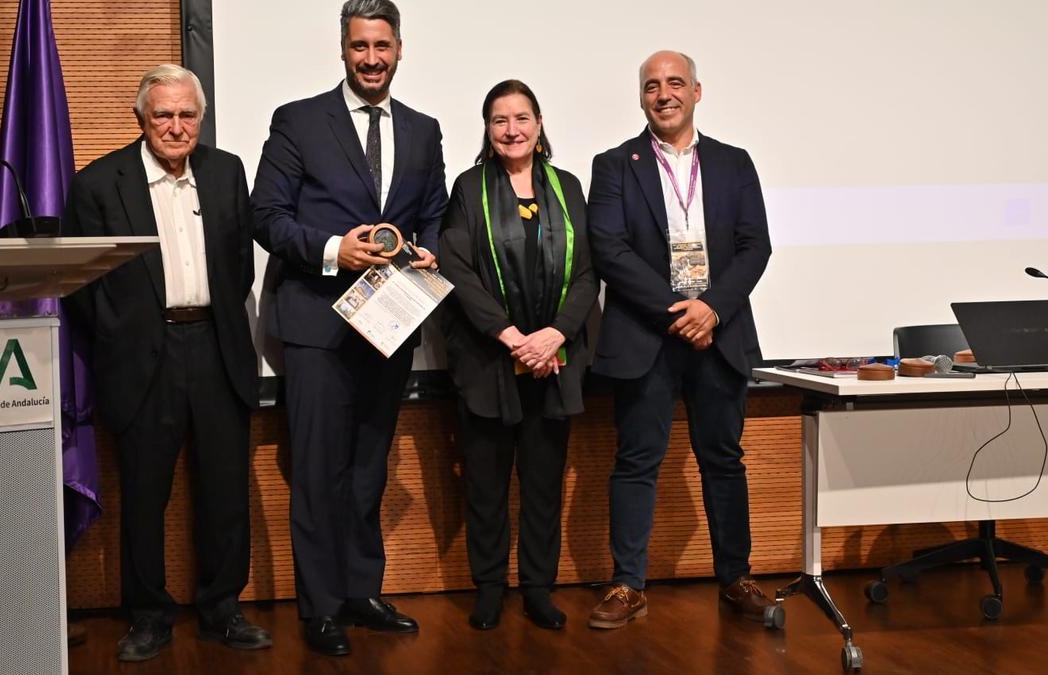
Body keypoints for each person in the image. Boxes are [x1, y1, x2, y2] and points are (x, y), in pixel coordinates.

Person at [251, 0, 447, 656]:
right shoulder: (299, 121)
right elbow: (267, 216)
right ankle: (322, 606)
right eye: (360, 46)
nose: (371, 58)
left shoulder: (424, 130)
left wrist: (431, 251)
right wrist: (337, 249)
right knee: (317, 470)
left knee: (368, 466)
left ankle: (362, 590)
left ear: (399, 50)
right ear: (343, 49)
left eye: (382, 46)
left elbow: (436, 215)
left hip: (391, 320)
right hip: (316, 324)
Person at [62, 64, 268, 661]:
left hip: (215, 347)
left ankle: (222, 610)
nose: (176, 127)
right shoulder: (100, 183)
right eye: (163, 115)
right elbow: (82, 282)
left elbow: (237, 263)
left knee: (225, 490)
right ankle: (149, 616)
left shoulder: (226, 171)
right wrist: (119, 332)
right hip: (141, 358)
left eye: (187, 115)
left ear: (199, 118)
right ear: (141, 119)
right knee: (146, 496)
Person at [585, 51, 774, 629]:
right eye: (651, 86)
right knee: (636, 460)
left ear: (697, 91)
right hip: (648, 334)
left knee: (725, 460)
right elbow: (609, 249)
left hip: (720, 333)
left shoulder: (734, 163)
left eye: (674, 83)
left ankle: (736, 577)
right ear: (641, 97)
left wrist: (711, 307)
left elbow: (754, 246)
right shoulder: (616, 164)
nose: (663, 93)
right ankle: (627, 585)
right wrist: (680, 310)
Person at [438, 80, 597, 631]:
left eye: (522, 118)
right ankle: (489, 587)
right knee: (484, 483)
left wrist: (555, 334)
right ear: (487, 128)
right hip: (490, 360)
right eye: (500, 120)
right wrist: (510, 336)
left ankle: (537, 588)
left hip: (553, 361)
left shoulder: (567, 186)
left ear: (539, 122)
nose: (512, 130)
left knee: (543, 483)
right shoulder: (468, 187)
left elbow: (586, 272)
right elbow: (457, 272)